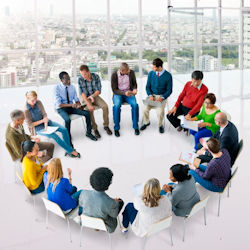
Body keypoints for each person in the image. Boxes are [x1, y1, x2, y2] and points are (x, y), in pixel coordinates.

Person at [24, 91, 80, 158]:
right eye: (33, 100)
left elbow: (44, 114)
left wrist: (45, 124)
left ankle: (68, 150)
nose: (35, 102)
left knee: (64, 130)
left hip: (47, 122)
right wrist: (42, 121)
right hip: (38, 128)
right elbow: (30, 124)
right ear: (27, 99)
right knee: (55, 136)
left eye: (36, 99)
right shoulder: (26, 110)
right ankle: (71, 151)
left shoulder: (38, 102)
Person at [54, 71, 97, 146]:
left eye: (69, 78)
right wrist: (71, 105)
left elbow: (76, 99)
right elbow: (59, 104)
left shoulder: (72, 87)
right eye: (66, 79)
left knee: (87, 113)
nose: (69, 81)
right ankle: (68, 138)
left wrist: (79, 105)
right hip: (61, 108)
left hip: (71, 106)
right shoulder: (56, 88)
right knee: (67, 120)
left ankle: (88, 133)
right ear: (61, 80)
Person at [78, 167, 124, 233]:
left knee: (97, 208)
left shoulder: (83, 193)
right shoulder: (110, 202)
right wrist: (116, 203)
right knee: (120, 202)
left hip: (86, 220)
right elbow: (114, 215)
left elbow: (81, 204)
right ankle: (98, 225)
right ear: (108, 184)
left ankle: (95, 225)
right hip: (105, 225)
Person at [78, 64, 112, 138]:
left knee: (105, 106)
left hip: (94, 95)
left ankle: (106, 125)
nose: (83, 76)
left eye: (84, 74)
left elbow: (98, 90)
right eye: (82, 74)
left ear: (88, 72)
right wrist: (89, 104)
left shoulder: (96, 76)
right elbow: (82, 94)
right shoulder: (80, 79)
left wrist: (92, 96)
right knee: (90, 110)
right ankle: (95, 129)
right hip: (85, 98)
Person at [140, 58, 172, 134]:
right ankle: (146, 122)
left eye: (154, 67)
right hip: (152, 96)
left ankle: (160, 125)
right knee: (144, 109)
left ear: (159, 67)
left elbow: (169, 90)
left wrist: (162, 97)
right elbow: (147, 87)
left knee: (160, 111)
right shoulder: (151, 73)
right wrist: (150, 95)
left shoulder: (168, 76)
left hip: (162, 96)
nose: (152, 68)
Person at [111, 62, 140, 137]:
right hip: (118, 93)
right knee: (116, 106)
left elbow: (134, 84)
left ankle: (136, 127)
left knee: (135, 105)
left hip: (129, 92)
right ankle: (116, 128)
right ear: (122, 71)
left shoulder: (131, 72)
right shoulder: (114, 75)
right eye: (127, 70)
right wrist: (124, 93)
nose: (129, 71)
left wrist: (135, 89)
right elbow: (114, 90)